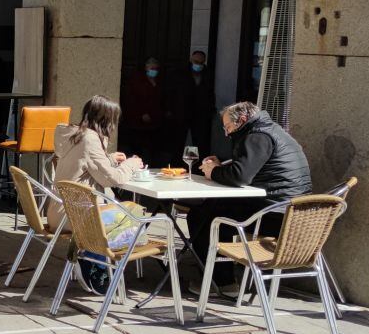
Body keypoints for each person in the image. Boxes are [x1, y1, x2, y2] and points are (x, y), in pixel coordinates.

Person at [187, 102, 312, 287]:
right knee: (214, 208)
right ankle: (219, 276)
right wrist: (220, 167)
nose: (227, 133)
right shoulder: (270, 130)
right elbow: (250, 168)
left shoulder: (258, 136)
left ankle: (220, 283)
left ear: (243, 120)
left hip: (276, 215)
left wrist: (213, 172)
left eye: (228, 127)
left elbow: (240, 177)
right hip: (292, 211)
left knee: (204, 216)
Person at [45, 95, 145, 293]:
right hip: (79, 217)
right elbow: (113, 179)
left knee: (118, 212)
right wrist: (131, 164)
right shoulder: (91, 140)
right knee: (135, 221)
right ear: (107, 120)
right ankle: (94, 264)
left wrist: (107, 157)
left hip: (60, 212)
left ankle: (91, 257)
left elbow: (81, 163)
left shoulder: (73, 134)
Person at [121, 57, 167, 164]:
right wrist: (141, 113)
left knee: (153, 147)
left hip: (156, 121)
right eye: (151, 68)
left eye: (156, 68)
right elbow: (131, 100)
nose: (154, 70)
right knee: (139, 147)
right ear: (146, 68)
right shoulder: (137, 80)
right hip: (138, 121)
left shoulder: (160, 81)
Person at [173, 50, 215, 158]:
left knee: (201, 142)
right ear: (191, 60)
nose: (198, 65)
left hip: (200, 112)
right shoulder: (181, 73)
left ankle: (200, 166)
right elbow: (173, 92)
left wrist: (210, 109)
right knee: (178, 140)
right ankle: (176, 162)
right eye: (196, 61)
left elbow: (210, 93)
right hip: (183, 111)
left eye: (201, 63)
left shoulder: (207, 73)